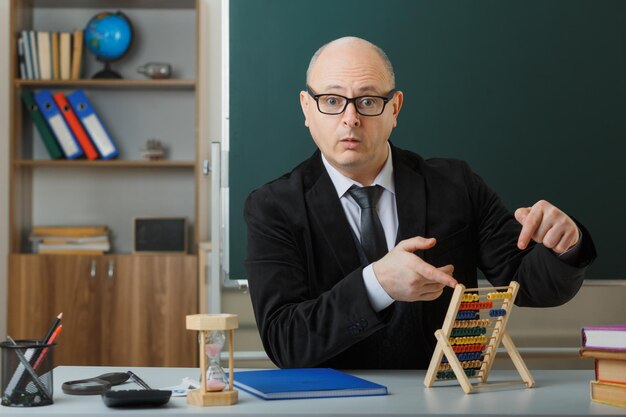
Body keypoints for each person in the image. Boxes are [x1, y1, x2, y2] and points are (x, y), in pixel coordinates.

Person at [244, 36, 596, 369]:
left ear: (394, 108)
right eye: (332, 101)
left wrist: (567, 246)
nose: (350, 119)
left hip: (443, 398)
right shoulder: (272, 207)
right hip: (333, 403)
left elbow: (529, 283)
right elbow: (283, 340)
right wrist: (377, 285)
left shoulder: (456, 185)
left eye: (368, 101)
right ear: (307, 108)